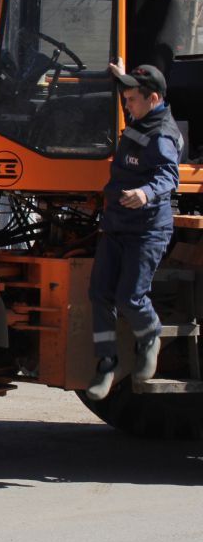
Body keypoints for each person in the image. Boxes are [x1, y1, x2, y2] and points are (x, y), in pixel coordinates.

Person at [87, 64, 182, 400]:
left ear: (152, 98)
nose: (125, 105)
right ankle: (106, 363)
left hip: (145, 230)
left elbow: (170, 177)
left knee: (130, 297)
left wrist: (144, 193)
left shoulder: (162, 136)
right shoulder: (142, 118)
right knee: (100, 293)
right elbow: (131, 96)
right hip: (116, 225)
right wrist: (121, 76)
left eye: (130, 99)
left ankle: (150, 335)